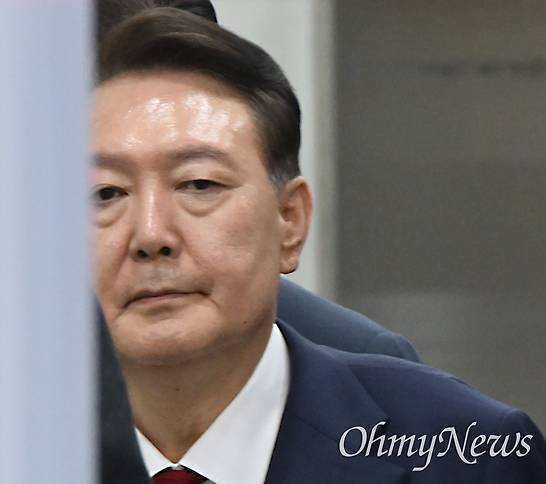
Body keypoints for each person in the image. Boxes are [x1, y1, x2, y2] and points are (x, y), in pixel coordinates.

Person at [91, 5, 546, 483]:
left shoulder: (467, 455)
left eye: (200, 184)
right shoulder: (33, 450)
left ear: (290, 219)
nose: (151, 235)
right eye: (105, 193)